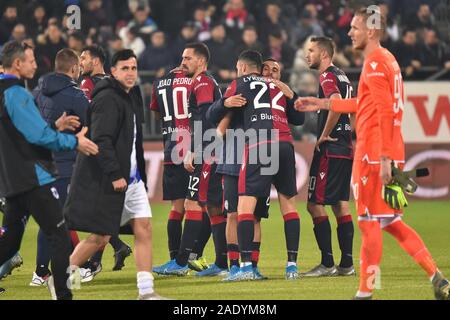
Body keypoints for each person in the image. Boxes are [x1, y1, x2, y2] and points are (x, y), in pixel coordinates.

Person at [295, 8, 450, 300]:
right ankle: (436, 276)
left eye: (355, 27)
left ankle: (366, 292)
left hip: (374, 155)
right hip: (385, 151)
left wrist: (385, 159)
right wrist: (321, 103)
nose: (349, 32)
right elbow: (363, 105)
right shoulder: (386, 59)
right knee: (390, 222)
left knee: (368, 224)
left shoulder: (376, 62)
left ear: (372, 31)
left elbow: (385, 112)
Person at [0, 40, 98, 300]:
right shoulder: (16, 93)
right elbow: (38, 136)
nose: (36, 65)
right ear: (18, 63)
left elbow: (20, 134)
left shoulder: (9, 91)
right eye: (31, 61)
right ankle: (63, 295)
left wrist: (55, 126)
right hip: (33, 177)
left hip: (12, 179)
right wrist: (74, 141)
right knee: (59, 235)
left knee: (9, 244)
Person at [64, 49, 164, 300]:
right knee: (100, 236)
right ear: (113, 71)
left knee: (144, 228)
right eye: (125, 68)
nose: (131, 73)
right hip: (114, 178)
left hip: (133, 179)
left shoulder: (131, 96)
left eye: (134, 68)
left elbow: (132, 140)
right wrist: (114, 173)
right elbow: (102, 140)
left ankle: (146, 292)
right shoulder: (108, 98)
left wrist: (136, 172)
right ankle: (62, 279)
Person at [222, 50, 304, 281]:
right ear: (260, 68)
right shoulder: (280, 89)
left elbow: (216, 114)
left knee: (244, 208)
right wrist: (292, 94)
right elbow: (300, 118)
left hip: (259, 143)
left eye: (274, 70)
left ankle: (246, 266)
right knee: (289, 206)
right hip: (286, 145)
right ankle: (291, 266)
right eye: (267, 69)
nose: (270, 73)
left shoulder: (246, 83)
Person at [153, 43, 227, 277]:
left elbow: (206, 118)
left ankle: (181, 262)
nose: (182, 61)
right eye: (182, 57)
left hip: (207, 152)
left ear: (201, 61)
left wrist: (194, 150)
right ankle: (222, 263)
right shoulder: (202, 81)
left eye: (188, 58)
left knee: (193, 204)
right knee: (214, 207)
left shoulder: (203, 82)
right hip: (213, 150)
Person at [30, 48, 92, 286]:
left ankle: (54, 269)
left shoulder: (37, 91)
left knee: (54, 216)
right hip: (64, 164)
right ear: (74, 68)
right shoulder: (76, 95)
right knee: (58, 220)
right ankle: (46, 272)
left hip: (39, 162)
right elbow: (92, 123)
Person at [300, 36, 355, 277]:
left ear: (324, 54)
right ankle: (346, 264)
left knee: (314, 205)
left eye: (311, 51)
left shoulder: (327, 76)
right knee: (340, 205)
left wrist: (323, 135)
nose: (306, 55)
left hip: (331, 149)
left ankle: (327, 263)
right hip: (345, 147)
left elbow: (335, 103)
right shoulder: (343, 75)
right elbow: (350, 107)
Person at [150, 68, 212, 272]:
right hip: (193, 148)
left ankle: (175, 259)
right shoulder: (196, 82)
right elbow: (203, 113)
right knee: (202, 205)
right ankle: (193, 256)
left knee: (177, 209)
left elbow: (157, 112)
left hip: (171, 148)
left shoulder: (159, 83)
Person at [79, 45, 133, 273]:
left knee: (92, 209)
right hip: (108, 151)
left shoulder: (90, 85)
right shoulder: (114, 86)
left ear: (97, 60)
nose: (80, 61)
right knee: (102, 208)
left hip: (94, 150)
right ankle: (116, 246)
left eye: (84, 57)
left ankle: (88, 264)